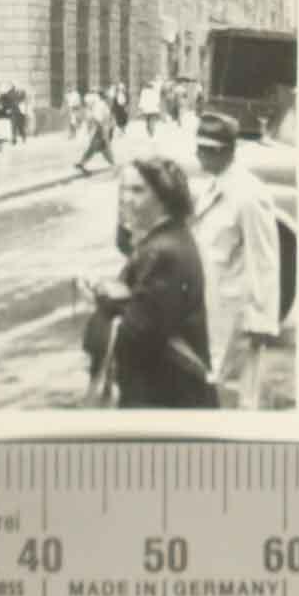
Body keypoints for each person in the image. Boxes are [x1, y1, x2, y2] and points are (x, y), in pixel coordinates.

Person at [85, 156, 216, 409]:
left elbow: (134, 337)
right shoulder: (167, 239)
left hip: (165, 397)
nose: (125, 199)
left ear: (164, 197)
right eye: (123, 189)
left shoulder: (163, 253)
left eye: (138, 190)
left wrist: (105, 302)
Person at [190, 111, 280, 410]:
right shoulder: (214, 186)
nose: (197, 155)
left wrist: (260, 321)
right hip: (216, 305)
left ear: (221, 152)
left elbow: (264, 259)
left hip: (239, 314)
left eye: (202, 150)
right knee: (216, 386)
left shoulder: (249, 194)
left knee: (239, 397)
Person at [75, 90, 115, 175]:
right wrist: (104, 132)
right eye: (107, 97)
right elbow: (98, 120)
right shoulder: (101, 105)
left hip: (102, 129)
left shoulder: (100, 105)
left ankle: (113, 165)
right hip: (101, 130)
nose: (109, 99)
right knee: (100, 147)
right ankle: (113, 165)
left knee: (101, 148)